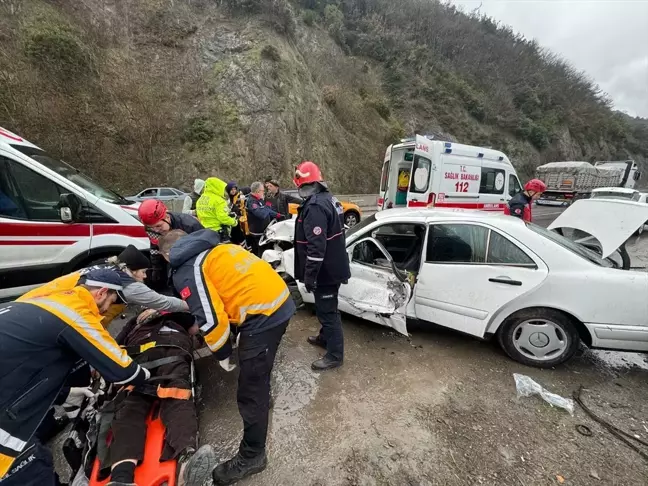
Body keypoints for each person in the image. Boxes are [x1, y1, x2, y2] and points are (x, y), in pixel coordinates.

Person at [158, 229, 295, 485]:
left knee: (249, 390)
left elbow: (211, 319)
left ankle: (253, 455)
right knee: (260, 368)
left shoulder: (187, 268)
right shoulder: (216, 249)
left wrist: (222, 353)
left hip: (263, 315)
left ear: (167, 256)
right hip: (279, 300)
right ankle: (262, 395)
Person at [0, 269, 150, 485]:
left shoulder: (40, 300)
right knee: (31, 468)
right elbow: (124, 371)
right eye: (113, 300)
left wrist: (65, 394)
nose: (111, 308)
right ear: (101, 292)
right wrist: (145, 374)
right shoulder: (74, 312)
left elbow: (20, 364)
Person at [105, 310, 215, 486]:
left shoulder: (137, 322)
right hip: (161, 352)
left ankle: (186, 461)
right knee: (170, 397)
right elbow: (196, 330)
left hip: (148, 356)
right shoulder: (178, 315)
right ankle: (122, 477)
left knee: (162, 397)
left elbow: (114, 344)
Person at [20, 245, 188, 325]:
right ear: (132, 269)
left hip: (32, 301)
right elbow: (163, 302)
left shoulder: (104, 267)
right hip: (55, 316)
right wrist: (192, 305)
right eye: (143, 271)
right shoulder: (128, 284)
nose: (145, 276)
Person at [293, 161, 350, 371]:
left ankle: (335, 355)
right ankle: (325, 338)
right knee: (326, 308)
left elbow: (316, 248)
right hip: (334, 267)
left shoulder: (315, 206)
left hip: (325, 272)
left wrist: (310, 276)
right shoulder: (329, 199)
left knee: (328, 312)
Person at [138, 199, 203, 290]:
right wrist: (156, 268)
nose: (156, 230)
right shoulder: (150, 229)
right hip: (171, 261)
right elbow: (155, 248)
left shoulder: (189, 225)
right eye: (151, 227)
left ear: (167, 216)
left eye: (158, 226)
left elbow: (204, 247)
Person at [245, 181, 284, 257]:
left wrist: (278, 215)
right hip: (257, 234)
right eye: (263, 190)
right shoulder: (251, 202)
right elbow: (261, 214)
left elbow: (266, 210)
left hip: (264, 231)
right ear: (258, 191)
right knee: (259, 253)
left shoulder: (259, 199)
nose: (264, 192)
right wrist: (267, 207)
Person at [226, 181, 250, 245]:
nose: (233, 191)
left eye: (234, 189)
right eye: (231, 190)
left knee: (242, 237)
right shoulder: (229, 199)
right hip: (235, 220)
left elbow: (238, 208)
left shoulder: (239, 197)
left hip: (241, 219)